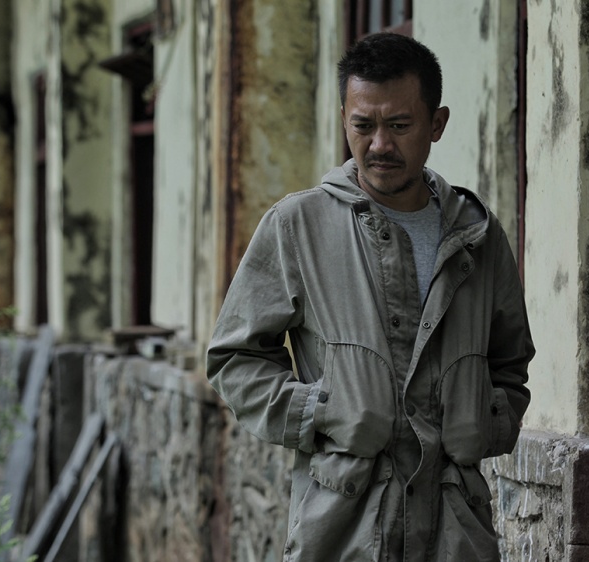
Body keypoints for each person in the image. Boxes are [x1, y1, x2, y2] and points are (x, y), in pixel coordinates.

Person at [206, 32, 534, 561]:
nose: (379, 144)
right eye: (363, 125)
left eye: (399, 125)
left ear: (437, 124)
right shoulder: (298, 226)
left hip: (456, 536)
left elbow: (510, 363)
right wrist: (322, 411)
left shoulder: (478, 235)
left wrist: (483, 422)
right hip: (340, 534)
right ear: (344, 120)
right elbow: (234, 358)